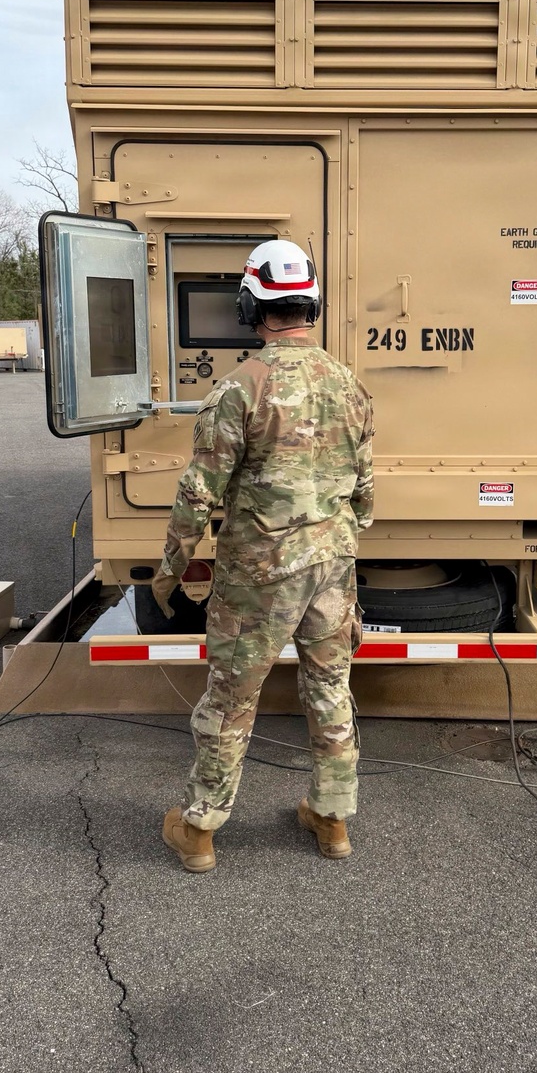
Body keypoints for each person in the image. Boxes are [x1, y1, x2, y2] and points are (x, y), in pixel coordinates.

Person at [152, 239, 374, 872]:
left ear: (251, 306)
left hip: (260, 574)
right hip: (332, 567)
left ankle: (200, 829)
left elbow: (199, 493)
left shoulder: (239, 388)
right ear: (312, 305)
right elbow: (364, 493)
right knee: (330, 688)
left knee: (231, 698)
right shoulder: (349, 384)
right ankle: (332, 818)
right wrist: (335, 541)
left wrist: (171, 569)